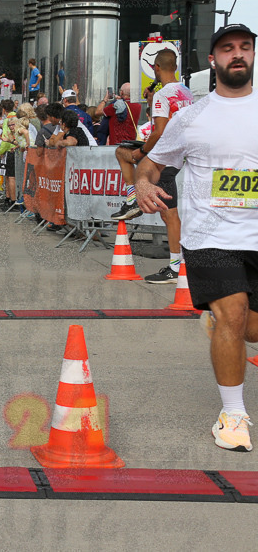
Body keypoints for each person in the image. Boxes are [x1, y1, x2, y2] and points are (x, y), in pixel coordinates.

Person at [136, 23, 256, 452]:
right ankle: (233, 415)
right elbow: (149, 163)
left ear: (253, 55)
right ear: (213, 60)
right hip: (210, 235)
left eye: (245, 47)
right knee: (233, 312)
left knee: (252, 329)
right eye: (227, 49)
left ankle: (225, 322)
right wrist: (143, 185)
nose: (237, 54)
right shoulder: (192, 116)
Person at [110, 48, 192, 284]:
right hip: (178, 153)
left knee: (170, 214)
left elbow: (159, 131)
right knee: (170, 213)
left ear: (156, 68)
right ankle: (133, 199)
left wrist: (143, 151)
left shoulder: (163, 95)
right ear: (174, 67)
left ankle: (176, 267)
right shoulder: (185, 91)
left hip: (164, 154)